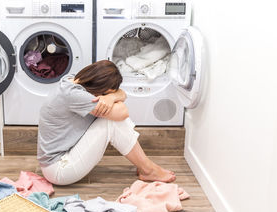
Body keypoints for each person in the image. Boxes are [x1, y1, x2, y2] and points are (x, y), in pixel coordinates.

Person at [37, 60, 176, 185]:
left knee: (110, 118)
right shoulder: (75, 95)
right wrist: (114, 97)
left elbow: (122, 93)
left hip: (57, 161)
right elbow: (123, 113)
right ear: (98, 88)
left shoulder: (74, 80)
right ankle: (148, 169)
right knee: (112, 122)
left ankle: (147, 168)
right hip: (59, 169)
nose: (106, 97)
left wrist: (111, 97)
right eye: (106, 93)